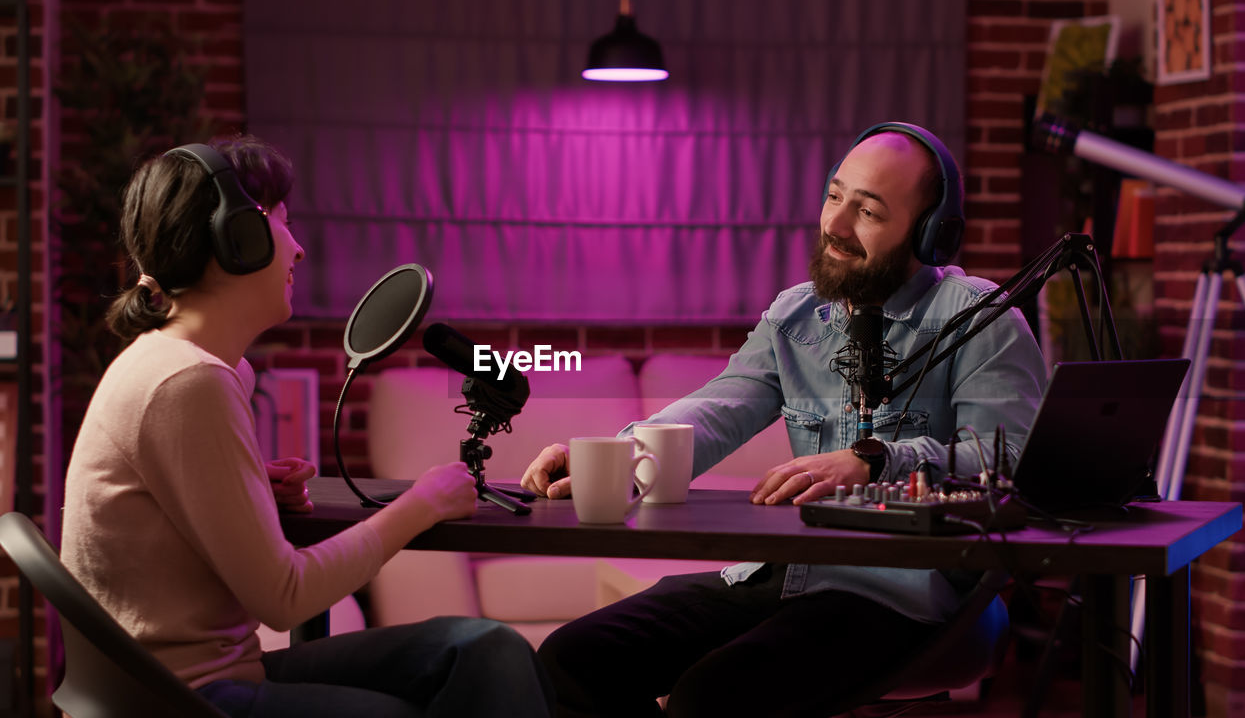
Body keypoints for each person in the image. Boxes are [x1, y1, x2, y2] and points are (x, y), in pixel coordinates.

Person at [520, 123, 1047, 717]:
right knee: (575, 658)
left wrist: (880, 460)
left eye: (868, 211)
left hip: (903, 597)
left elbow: (1013, 460)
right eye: (834, 196)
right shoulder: (797, 313)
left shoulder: (982, 318)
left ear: (929, 235)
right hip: (782, 576)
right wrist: (611, 459)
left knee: (710, 699)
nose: (836, 226)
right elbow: (720, 406)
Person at [60, 135, 554, 718]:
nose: (298, 249)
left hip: (215, 673)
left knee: (484, 651)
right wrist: (423, 502)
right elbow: (284, 597)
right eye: (282, 223)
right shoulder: (187, 382)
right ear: (236, 240)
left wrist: (246, 490)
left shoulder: (183, 365)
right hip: (183, 699)